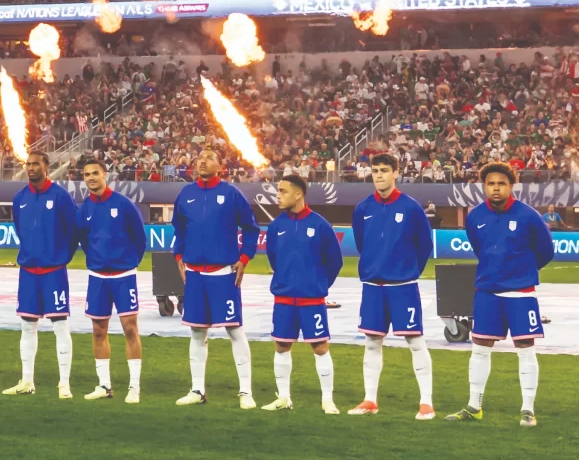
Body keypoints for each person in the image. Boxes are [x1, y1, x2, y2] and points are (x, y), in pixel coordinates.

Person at [449, 162, 556, 426]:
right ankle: (474, 406)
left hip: (521, 293)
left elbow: (545, 251)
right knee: (480, 348)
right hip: (487, 291)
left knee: (525, 349)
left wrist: (522, 272)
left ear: (511, 186)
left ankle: (528, 410)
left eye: (501, 184)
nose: (496, 188)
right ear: (484, 186)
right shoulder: (474, 217)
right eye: (491, 184)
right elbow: (479, 248)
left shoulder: (529, 216)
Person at [171, 147, 261, 408]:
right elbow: (179, 229)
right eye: (199, 157)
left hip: (224, 275)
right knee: (197, 332)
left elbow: (251, 228)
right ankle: (197, 390)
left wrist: (244, 259)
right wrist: (178, 256)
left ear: (220, 166)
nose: (202, 160)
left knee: (234, 329)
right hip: (195, 276)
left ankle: (246, 392)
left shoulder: (231, 194)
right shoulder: (186, 194)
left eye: (209, 158)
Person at [349, 151, 436, 418]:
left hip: (403, 286)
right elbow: (362, 243)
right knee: (372, 341)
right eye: (375, 171)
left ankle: (426, 402)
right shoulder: (363, 208)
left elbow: (424, 246)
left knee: (415, 341)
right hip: (373, 286)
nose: (379, 176)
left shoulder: (411, 207)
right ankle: (370, 400)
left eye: (384, 171)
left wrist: (407, 271)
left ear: (396, 173)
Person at [261, 175, 344, 413]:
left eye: (283, 191)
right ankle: (284, 398)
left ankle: (327, 400)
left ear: (298, 194)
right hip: (284, 300)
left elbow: (334, 262)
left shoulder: (320, 225)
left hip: (312, 300)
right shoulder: (276, 226)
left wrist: (318, 285)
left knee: (320, 347)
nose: (278, 195)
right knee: (281, 346)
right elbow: (274, 259)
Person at [6, 151, 79, 397]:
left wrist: (60, 258)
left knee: (60, 325)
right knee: (27, 326)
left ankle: (64, 383)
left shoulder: (60, 196)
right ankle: (27, 381)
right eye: (28, 164)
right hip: (28, 272)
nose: (31, 168)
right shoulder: (20, 198)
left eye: (36, 164)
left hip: (53, 271)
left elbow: (72, 232)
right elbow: (19, 228)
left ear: (47, 167)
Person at [78, 157, 146, 403]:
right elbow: (84, 241)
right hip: (97, 277)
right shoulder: (84, 208)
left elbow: (140, 238)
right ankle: (104, 386)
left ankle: (134, 387)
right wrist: (97, 261)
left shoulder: (123, 204)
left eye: (95, 173)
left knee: (130, 328)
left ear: (105, 175)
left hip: (124, 275)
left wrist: (127, 262)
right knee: (98, 330)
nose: (91, 178)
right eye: (86, 175)